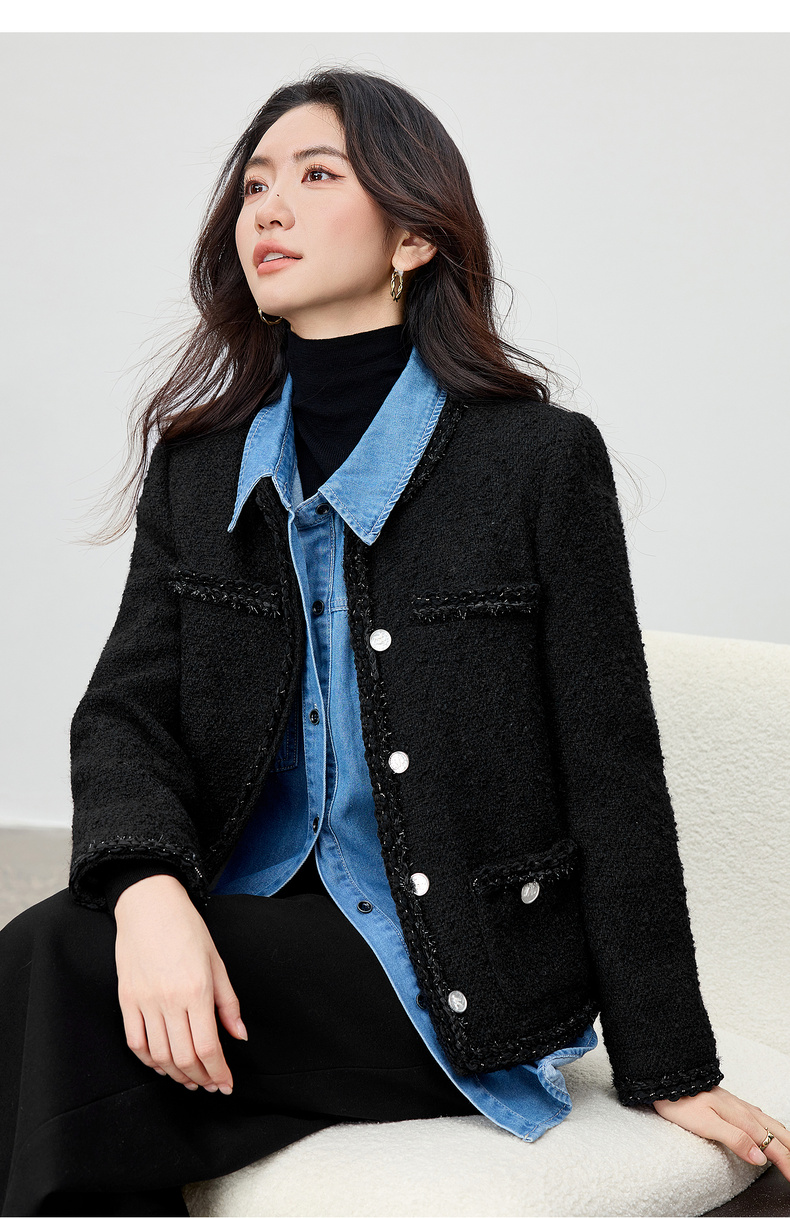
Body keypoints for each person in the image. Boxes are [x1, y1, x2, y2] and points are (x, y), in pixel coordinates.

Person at [1, 66, 787, 1218]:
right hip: (258, 923)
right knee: (66, 995)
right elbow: (127, 711)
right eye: (254, 184)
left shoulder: (535, 463)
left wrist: (670, 1063)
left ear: (413, 236)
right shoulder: (199, 467)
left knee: (53, 979)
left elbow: (610, 768)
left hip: (458, 964)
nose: (268, 208)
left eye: (317, 176)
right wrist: (150, 891)